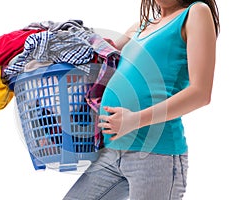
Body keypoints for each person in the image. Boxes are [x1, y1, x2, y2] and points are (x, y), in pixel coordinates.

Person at [63, 0, 220, 199]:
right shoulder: (140, 27)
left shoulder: (195, 13)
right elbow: (100, 56)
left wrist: (134, 119)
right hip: (112, 151)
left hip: (156, 154)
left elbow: (201, 93)